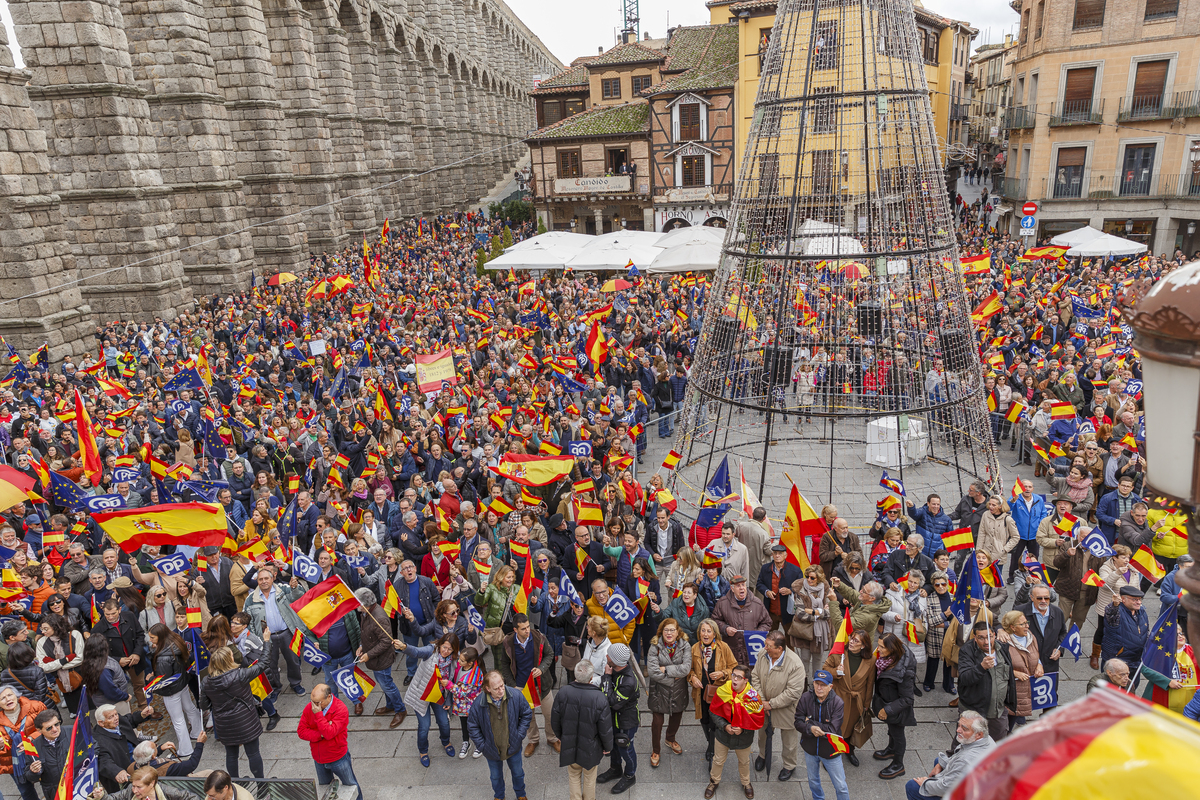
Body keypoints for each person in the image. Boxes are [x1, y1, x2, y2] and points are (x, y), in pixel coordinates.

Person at [551, 660, 614, 800]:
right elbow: (605, 728)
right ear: (591, 678)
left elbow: (554, 720)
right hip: (591, 747)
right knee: (590, 778)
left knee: (573, 776)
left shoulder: (563, 692)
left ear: (575, 676)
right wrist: (607, 747)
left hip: (570, 744)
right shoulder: (599, 698)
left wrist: (561, 736)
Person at [497, 612, 559, 756]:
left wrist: (541, 669)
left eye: (527, 627)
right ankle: (533, 740)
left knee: (550, 714)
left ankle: (552, 738)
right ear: (515, 630)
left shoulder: (539, 637)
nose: (527, 630)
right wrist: (512, 685)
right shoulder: (508, 642)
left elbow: (549, 655)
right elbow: (504, 665)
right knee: (527, 717)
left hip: (541, 684)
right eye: (523, 628)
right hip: (521, 687)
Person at [199, 646, 265, 779]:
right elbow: (264, 663)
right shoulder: (240, 675)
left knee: (231, 755)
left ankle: (235, 784)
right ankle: (262, 786)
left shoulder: (206, 682)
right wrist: (267, 641)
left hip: (225, 725)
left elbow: (204, 705)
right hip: (246, 721)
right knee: (253, 754)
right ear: (229, 660)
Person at [467, 670, 532, 800]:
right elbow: (472, 726)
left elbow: (526, 713)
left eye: (502, 685)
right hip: (491, 749)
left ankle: (521, 794)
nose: (501, 690)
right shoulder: (479, 703)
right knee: (495, 776)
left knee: (518, 773)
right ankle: (499, 796)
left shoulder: (515, 695)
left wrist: (519, 735)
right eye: (496, 688)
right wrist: (482, 745)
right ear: (487, 688)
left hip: (513, 745)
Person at [750, 631, 805, 782]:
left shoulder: (795, 664)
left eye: (768, 645)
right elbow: (755, 675)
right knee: (763, 734)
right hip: (763, 705)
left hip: (786, 709)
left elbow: (793, 692)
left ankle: (789, 765)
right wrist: (761, 700)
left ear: (779, 648)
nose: (764, 647)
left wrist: (771, 704)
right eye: (765, 644)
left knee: (789, 739)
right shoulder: (763, 654)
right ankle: (762, 755)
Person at [904, 711, 996, 799]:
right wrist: (941, 764)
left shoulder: (966, 759)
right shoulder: (986, 738)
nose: (958, 730)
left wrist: (925, 782)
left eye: (964, 729)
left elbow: (945, 788)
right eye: (959, 725)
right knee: (938, 761)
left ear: (978, 735)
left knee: (912, 786)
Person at [399, 631, 457, 767]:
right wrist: (404, 647)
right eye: (444, 647)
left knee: (444, 723)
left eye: (450, 649)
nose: (446, 651)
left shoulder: (455, 660)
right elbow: (416, 652)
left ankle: (446, 741)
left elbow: (455, 681)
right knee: (424, 726)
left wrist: (449, 700)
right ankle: (423, 751)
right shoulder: (431, 650)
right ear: (440, 644)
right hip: (422, 695)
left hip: (439, 696)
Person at [704, 664, 761, 800]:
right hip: (723, 735)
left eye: (739, 677)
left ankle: (746, 783)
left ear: (746, 680)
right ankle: (713, 782)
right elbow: (713, 711)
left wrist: (743, 728)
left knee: (744, 762)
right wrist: (724, 726)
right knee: (718, 760)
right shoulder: (723, 690)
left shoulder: (753, 697)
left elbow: (756, 719)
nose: (734, 679)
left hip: (743, 738)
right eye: (733, 675)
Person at [351, 588, 406, 728]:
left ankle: (400, 709)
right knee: (384, 684)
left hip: (382, 660)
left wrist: (368, 655)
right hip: (376, 659)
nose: (355, 605)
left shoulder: (378, 617)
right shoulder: (366, 612)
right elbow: (367, 634)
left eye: (357, 602)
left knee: (387, 685)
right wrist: (362, 646)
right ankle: (391, 705)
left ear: (365, 604)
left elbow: (386, 641)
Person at [145, 624, 201, 758]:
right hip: (182, 682)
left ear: (161, 637)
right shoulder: (176, 641)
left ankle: (185, 749)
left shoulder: (163, 657)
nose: (150, 640)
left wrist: (150, 678)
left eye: (153, 637)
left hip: (171, 690)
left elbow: (163, 679)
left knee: (178, 720)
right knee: (189, 707)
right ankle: (197, 732)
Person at [297, 683, 360, 800]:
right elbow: (301, 731)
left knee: (351, 785)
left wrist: (318, 715)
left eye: (318, 702)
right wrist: (319, 734)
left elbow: (329, 733)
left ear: (329, 697)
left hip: (338, 757)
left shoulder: (340, 709)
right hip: (319, 758)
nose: (314, 706)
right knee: (325, 790)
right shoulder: (310, 708)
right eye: (312, 701)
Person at [822, 629, 875, 767]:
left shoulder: (870, 660)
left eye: (855, 640)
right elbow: (824, 668)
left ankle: (850, 751)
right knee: (835, 726)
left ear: (863, 646)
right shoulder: (839, 654)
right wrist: (836, 671)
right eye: (851, 638)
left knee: (852, 727)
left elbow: (870, 684)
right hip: (839, 697)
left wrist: (866, 704)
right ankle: (830, 753)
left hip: (856, 700)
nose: (851, 642)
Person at [796, 669, 849, 800]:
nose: (819, 688)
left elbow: (832, 729)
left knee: (840, 785)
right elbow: (797, 721)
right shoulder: (805, 698)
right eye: (817, 684)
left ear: (830, 687)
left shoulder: (837, 703)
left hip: (831, 750)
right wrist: (810, 727)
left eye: (823, 685)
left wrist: (809, 724)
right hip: (810, 749)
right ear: (813, 683)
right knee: (813, 781)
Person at [956, 621, 1012, 743]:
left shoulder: (1002, 648)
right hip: (974, 710)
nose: (986, 642)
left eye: (989, 637)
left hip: (997, 710)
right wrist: (981, 667)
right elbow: (965, 678)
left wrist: (1009, 700)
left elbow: (1008, 675)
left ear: (994, 635)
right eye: (981, 638)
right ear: (975, 638)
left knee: (997, 745)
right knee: (964, 743)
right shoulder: (967, 650)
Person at [690, 619, 737, 764]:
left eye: (709, 631)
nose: (705, 634)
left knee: (715, 722)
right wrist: (692, 678)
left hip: (719, 693)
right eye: (703, 630)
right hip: (701, 693)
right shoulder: (694, 648)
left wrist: (723, 673)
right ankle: (711, 741)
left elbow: (734, 668)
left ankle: (712, 748)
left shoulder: (723, 647)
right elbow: (689, 669)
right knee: (704, 719)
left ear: (715, 633)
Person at [871, 632, 916, 780]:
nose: (878, 650)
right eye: (878, 645)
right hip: (888, 702)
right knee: (892, 729)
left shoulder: (903, 671)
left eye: (882, 647)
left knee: (898, 734)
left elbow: (908, 698)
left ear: (892, 648)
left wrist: (887, 710)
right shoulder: (889, 659)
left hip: (897, 709)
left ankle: (898, 764)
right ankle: (891, 749)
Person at [596, 643, 639, 794]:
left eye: (608, 655)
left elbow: (611, 702)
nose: (606, 656)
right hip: (613, 718)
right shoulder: (615, 668)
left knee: (626, 748)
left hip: (626, 721)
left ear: (615, 661)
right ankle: (615, 769)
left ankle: (630, 775)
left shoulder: (628, 681)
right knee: (613, 746)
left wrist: (606, 677)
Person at [646, 618, 689, 768]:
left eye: (672, 630)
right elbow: (653, 672)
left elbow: (686, 669)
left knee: (676, 716)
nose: (669, 633)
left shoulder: (685, 646)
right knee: (657, 722)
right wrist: (673, 678)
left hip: (679, 690)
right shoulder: (654, 646)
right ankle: (656, 750)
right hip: (659, 691)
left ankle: (670, 738)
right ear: (661, 632)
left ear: (678, 632)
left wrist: (666, 669)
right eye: (666, 630)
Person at [92, 703, 158, 793]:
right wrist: (117, 772)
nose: (116, 718)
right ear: (101, 723)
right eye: (111, 717)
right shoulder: (97, 740)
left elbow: (128, 720)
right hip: (127, 777)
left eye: (116, 714)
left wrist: (142, 714)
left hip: (140, 761)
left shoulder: (117, 720)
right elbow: (103, 762)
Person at [710, 575, 770, 664]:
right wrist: (725, 629)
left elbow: (767, 623)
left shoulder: (757, 603)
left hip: (752, 651)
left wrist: (756, 633)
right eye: (738, 586)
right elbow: (714, 621)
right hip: (731, 651)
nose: (741, 588)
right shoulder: (722, 603)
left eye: (743, 585)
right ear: (732, 589)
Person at [999, 611, 1042, 731]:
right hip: (1010, 691)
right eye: (1022, 624)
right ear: (1012, 627)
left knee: (1014, 719)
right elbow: (997, 666)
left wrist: (1039, 665)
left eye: (1026, 623)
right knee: (1003, 723)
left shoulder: (1031, 637)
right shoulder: (1003, 642)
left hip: (1025, 688)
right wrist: (1013, 673)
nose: (1027, 626)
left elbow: (1036, 654)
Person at [756, 544, 802, 632]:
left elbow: (801, 587)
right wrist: (766, 592)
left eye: (780, 553)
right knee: (771, 639)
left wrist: (790, 591)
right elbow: (759, 583)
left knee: (790, 640)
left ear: (785, 555)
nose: (777, 555)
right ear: (772, 555)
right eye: (775, 553)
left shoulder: (795, 570)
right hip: (770, 612)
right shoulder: (765, 568)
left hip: (788, 612)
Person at [1102, 585, 1150, 670]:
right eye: (1134, 599)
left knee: (1134, 683)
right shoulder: (1117, 612)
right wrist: (1115, 604)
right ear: (1123, 599)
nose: (1139, 602)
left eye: (1139, 599)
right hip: (1118, 661)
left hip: (1136, 660)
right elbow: (1111, 613)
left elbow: (1146, 631)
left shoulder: (1142, 612)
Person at [89, 765, 195, 800]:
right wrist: (100, 796)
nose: (134, 790)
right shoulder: (130, 791)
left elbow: (192, 798)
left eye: (139, 787)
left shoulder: (170, 793)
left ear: (152, 784)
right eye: (133, 786)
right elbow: (112, 798)